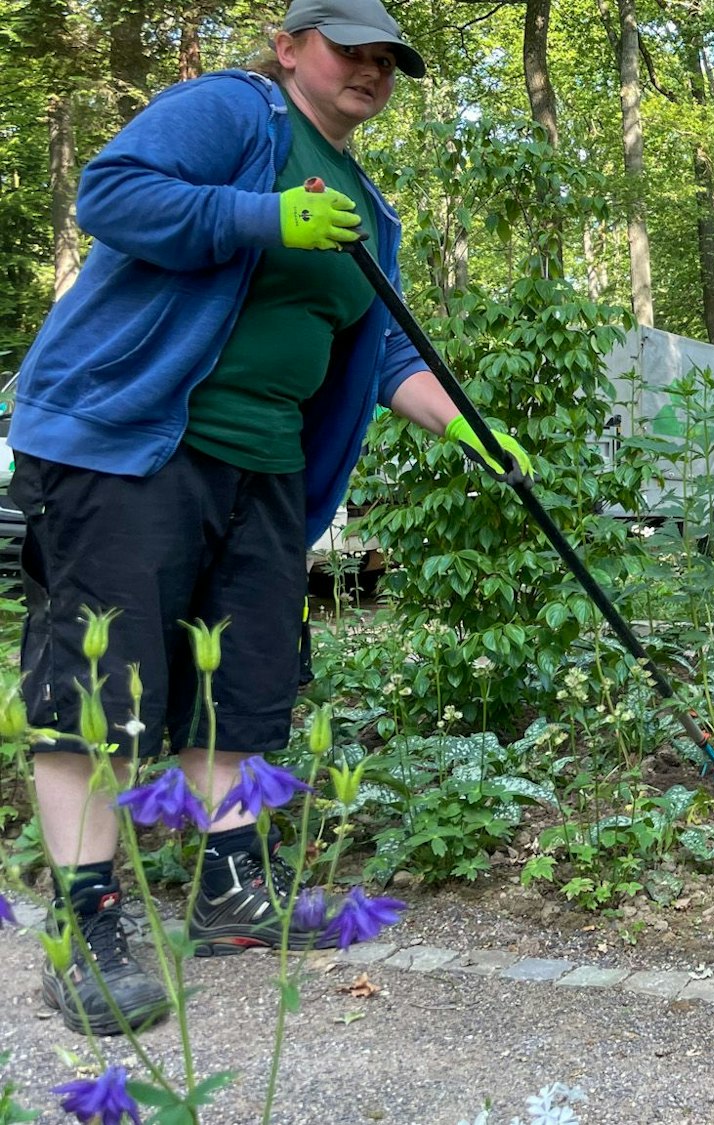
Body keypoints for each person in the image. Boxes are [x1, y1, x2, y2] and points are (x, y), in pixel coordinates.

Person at [8, 0, 532, 1036]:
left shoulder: (369, 210)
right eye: (352, 48)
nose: (372, 69)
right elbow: (110, 196)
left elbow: (380, 348)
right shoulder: (234, 112)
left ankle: (232, 898)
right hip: (133, 444)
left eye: (389, 59)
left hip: (267, 472)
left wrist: (465, 426)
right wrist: (262, 216)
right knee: (99, 688)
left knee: (241, 688)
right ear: (291, 45)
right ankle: (86, 925)